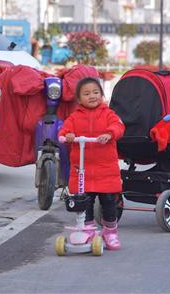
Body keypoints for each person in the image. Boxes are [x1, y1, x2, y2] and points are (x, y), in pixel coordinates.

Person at [58, 77, 125, 250]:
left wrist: (110, 134)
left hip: (105, 169)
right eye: (87, 94)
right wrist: (68, 135)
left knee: (109, 202)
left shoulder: (108, 114)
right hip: (83, 169)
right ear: (79, 99)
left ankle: (110, 232)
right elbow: (64, 130)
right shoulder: (74, 117)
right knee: (84, 202)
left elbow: (118, 126)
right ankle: (88, 230)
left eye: (96, 92)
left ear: (102, 95)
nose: (92, 96)